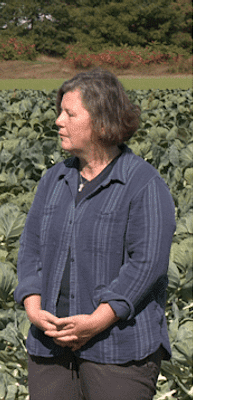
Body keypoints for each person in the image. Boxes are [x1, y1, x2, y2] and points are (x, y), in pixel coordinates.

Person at [14, 69, 175, 400]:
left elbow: (146, 265)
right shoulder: (53, 180)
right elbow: (30, 249)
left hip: (119, 351)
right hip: (49, 347)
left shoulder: (143, 184)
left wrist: (96, 321)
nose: (58, 121)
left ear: (102, 123)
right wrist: (32, 305)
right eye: (60, 111)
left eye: (70, 114)